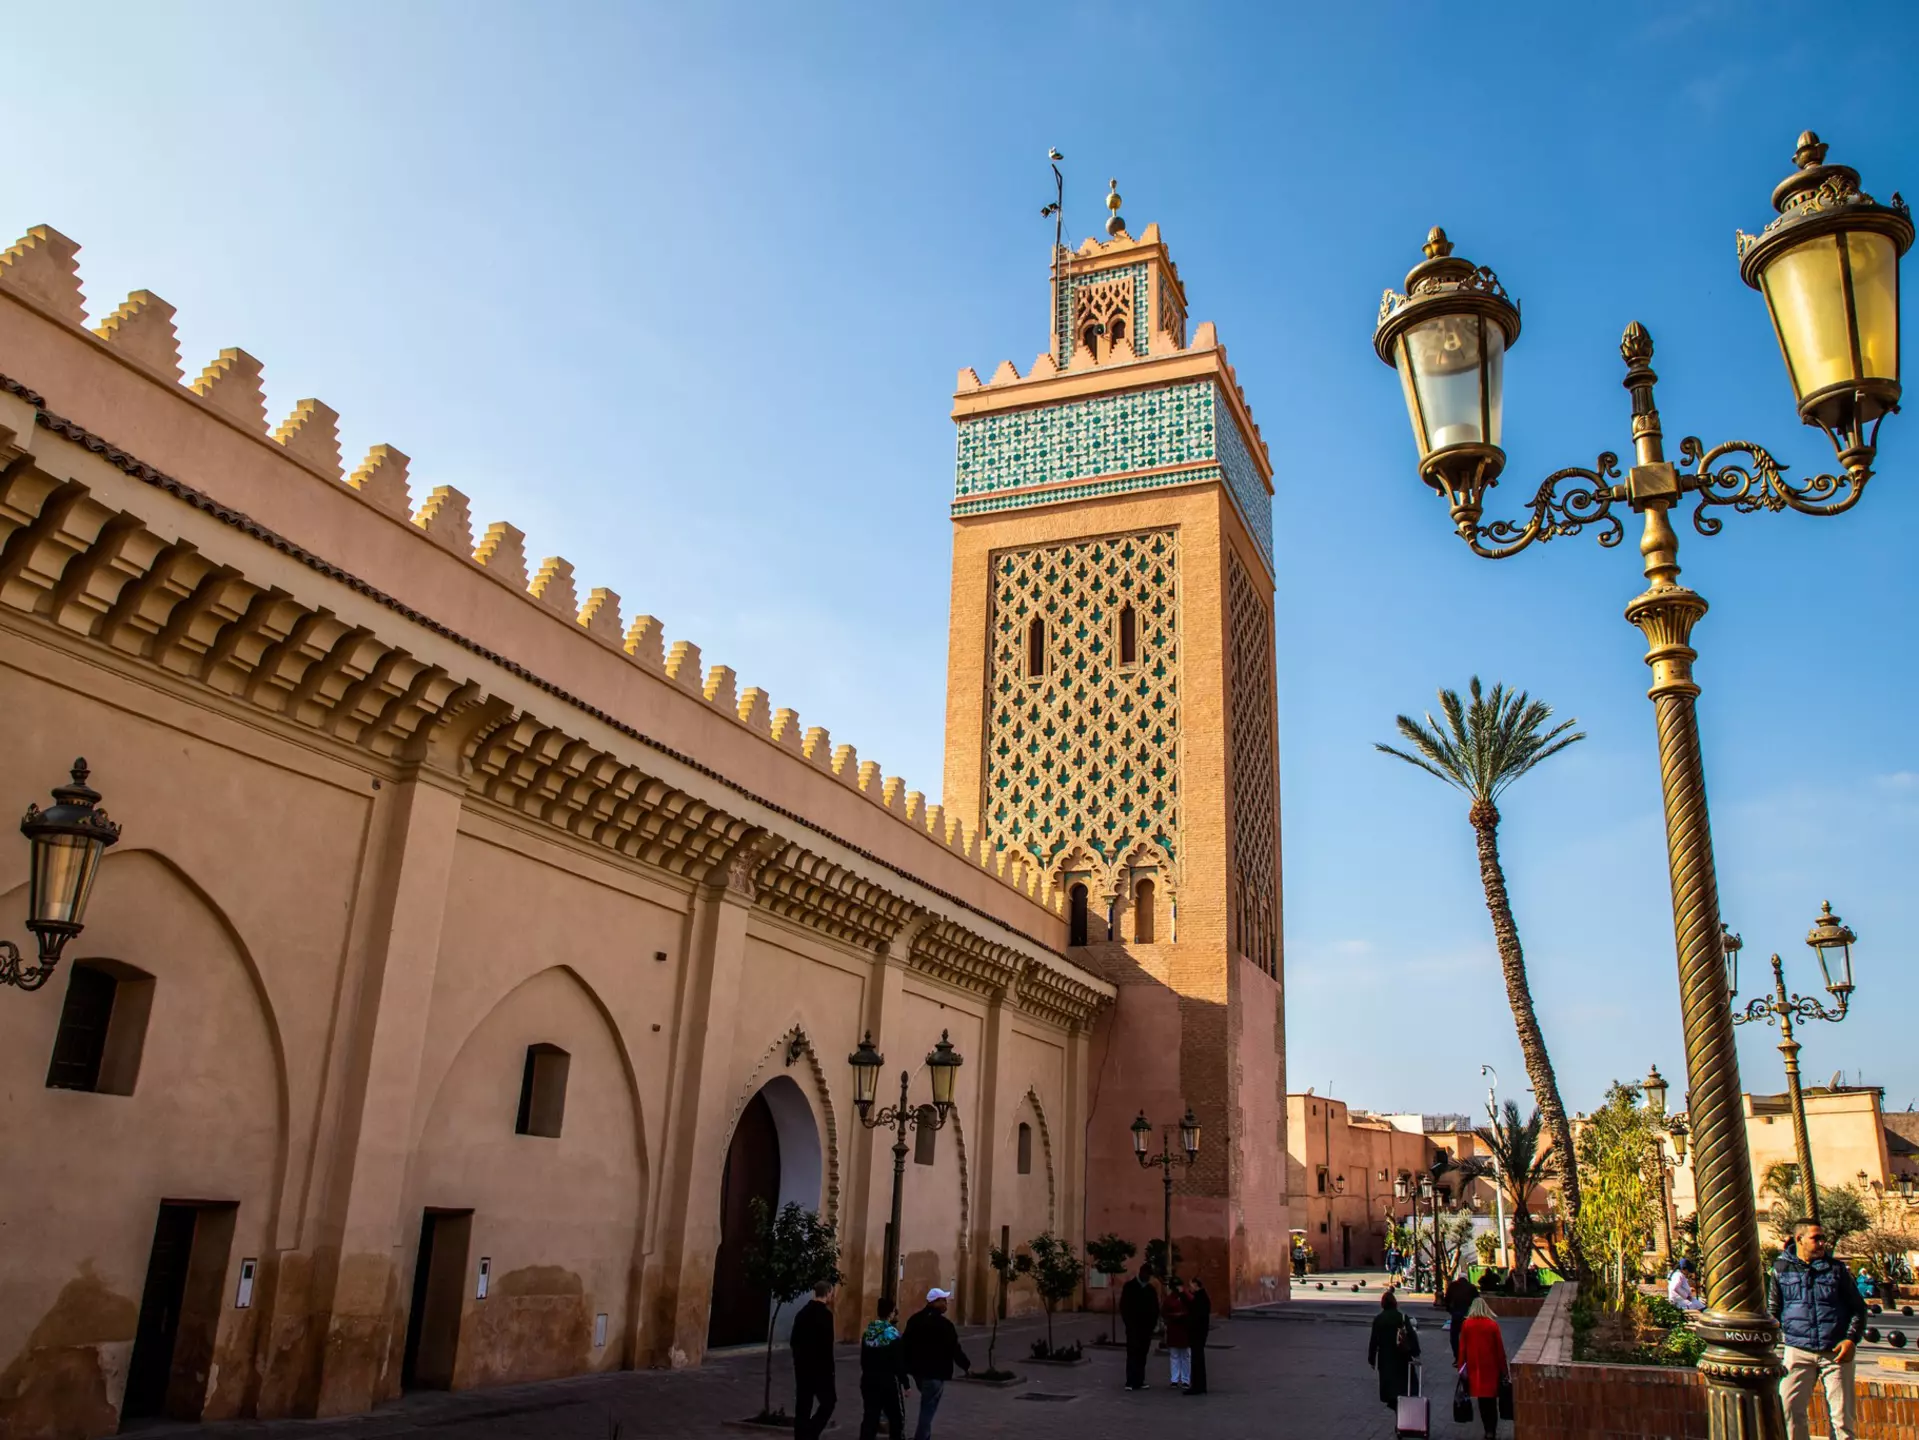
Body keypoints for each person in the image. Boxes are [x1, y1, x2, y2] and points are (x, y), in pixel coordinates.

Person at [1769, 1217, 1867, 1440]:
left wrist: (1851, 1339)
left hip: (1835, 1352)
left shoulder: (1837, 1270)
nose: (1822, 1243)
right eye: (1816, 1238)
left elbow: (1858, 1309)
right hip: (1797, 1350)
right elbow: (1773, 1309)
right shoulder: (1781, 1269)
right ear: (1799, 1239)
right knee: (1789, 1410)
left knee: (1842, 1420)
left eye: (1823, 1238)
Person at [901, 1287, 970, 1440]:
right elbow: (954, 1349)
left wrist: (905, 1367)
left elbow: (905, 1344)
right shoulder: (945, 1325)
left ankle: (925, 1435)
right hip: (936, 1373)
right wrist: (966, 1365)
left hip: (918, 1372)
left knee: (927, 1403)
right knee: (928, 1408)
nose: (946, 1304)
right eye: (943, 1301)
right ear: (935, 1302)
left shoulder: (915, 1320)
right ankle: (922, 1437)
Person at [1456, 1295, 1511, 1440]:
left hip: (1475, 1368)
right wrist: (1504, 1370)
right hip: (1491, 1368)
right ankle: (1491, 1430)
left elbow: (1462, 1349)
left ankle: (1487, 1429)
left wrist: (1461, 1368)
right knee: (1491, 1401)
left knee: (1481, 1401)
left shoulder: (1467, 1324)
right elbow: (1500, 1350)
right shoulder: (1492, 1325)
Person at [790, 1279, 838, 1440]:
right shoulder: (826, 1316)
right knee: (829, 1402)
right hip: (820, 1370)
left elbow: (794, 1342)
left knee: (803, 1406)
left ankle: (801, 1436)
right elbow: (827, 1346)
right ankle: (810, 1433)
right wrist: (830, 1371)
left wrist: (798, 1361)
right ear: (829, 1293)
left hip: (802, 1368)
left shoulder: (802, 1313)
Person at [858, 1296, 909, 1440]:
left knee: (870, 1416)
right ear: (892, 1313)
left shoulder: (868, 1333)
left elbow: (863, 1360)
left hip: (868, 1380)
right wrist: (905, 1383)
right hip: (888, 1382)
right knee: (896, 1418)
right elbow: (899, 1362)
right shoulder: (893, 1335)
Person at [1366, 1288, 1421, 1411]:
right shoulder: (1401, 1317)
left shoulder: (1379, 1319)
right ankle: (1403, 1410)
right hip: (1402, 1357)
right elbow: (1412, 1335)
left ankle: (1395, 1405)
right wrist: (1415, 1352)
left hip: (1385, 1358)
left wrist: (1371, 1359)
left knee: (1390, 1386)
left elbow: (1373, 1340)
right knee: (1404, 1385)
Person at [1119, 1263, 1160, 1391]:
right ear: (1141, 1273)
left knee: (1142, 1354)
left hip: (1146, 1329)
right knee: (1132, 1353)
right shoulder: (1130, 1287)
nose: (1148, 1278)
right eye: (1147, 1275)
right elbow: (1124, 1307)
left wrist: (1152, 1326)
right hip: (1133, 1328)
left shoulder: (1150, 1290)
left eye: (1150, 1276)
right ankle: (1130, 1381)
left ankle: (1139, 1380)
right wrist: (1129, 1324)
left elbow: (1155, 1309)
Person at [1162, 1276, 1192, 1390]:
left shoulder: (1186, 1297)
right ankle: (1174, 1379)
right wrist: (1174, 1316)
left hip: (1184, 1329)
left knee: (1185, 1356)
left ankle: (1185, 1380)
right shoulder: (1170, 1299)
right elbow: (1164, 1313)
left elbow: (1193, 1306)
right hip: (1174, 1329)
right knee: (1175, 1355)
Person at [1444, 1271, 1480, 1362]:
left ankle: (1457, 1357)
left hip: (1456, 1315)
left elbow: (1447, 1299)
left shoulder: (1453, 1286)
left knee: (1454, 1337)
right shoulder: (1472, 1287)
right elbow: (1477, 1301)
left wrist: (1450, 1311)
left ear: (1458, 1278)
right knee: (1469, 1337)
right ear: (1466, 1278)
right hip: (1468, 1315)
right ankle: (1468, 1356)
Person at [1186, 1275, 1212, 1397]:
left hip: (1198, 1334)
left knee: (1197, 1360)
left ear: (1196, 1286)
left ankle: (1198, 1386)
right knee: (1197, 1359)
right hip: (1199, 1333)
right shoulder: (1201, 1298)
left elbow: (1196, 1315)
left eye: (1191, 1285)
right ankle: (1198, 1385)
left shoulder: (1200, 1299)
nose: (1189, 1288)